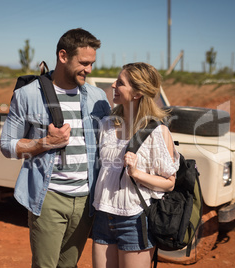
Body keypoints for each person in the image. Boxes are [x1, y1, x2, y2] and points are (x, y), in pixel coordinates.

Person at [0, 28, 111, 268]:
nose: (89, 70)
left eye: (92, 63)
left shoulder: (98, 97)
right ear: (63, 56)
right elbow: (6, 145)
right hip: (49, 198)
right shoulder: (27, 95)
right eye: (84, 63)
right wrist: (44, 143)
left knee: (68, 265)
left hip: (86, 201)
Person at [91, 62, 180, 268]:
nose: (113, 85)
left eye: (120, 83)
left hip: (135, 220)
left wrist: (136, 173)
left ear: (138, 92)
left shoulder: (158, 132)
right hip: (103, 216)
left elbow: (169, 183)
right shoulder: (106, 124)